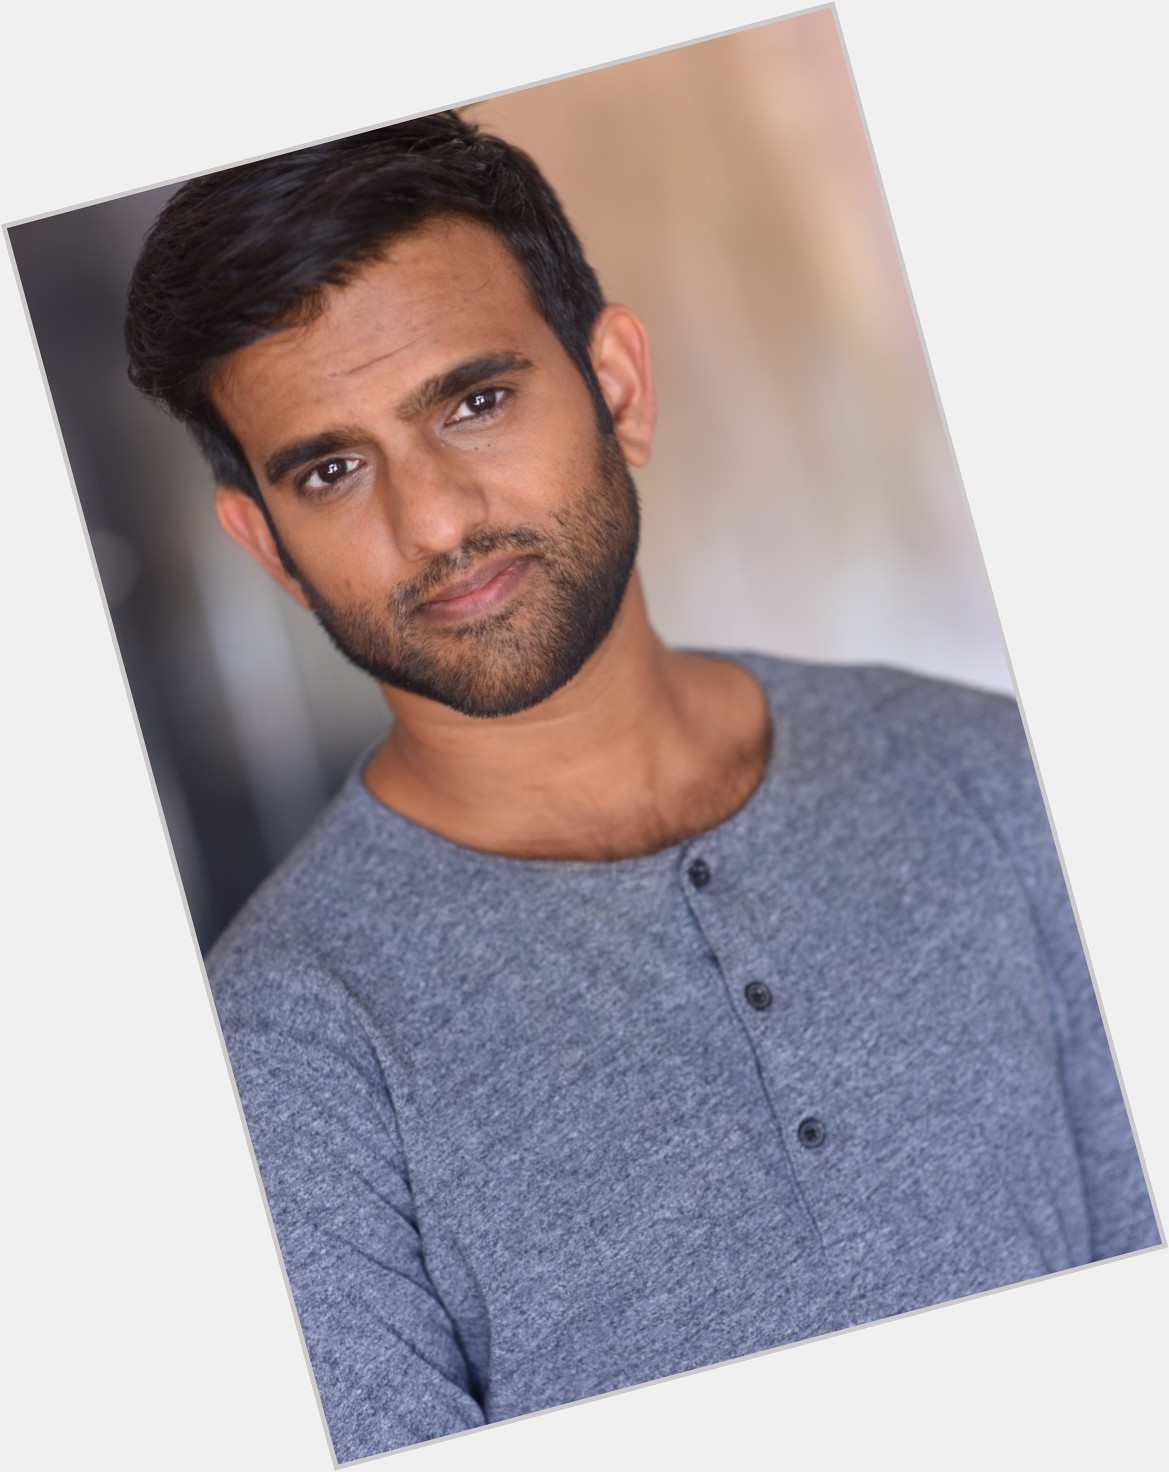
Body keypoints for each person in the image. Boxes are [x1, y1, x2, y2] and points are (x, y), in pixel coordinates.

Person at [125, 111, 1157, 1462]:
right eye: (332, 469)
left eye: (475, 402)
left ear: (617, 389)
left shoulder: (994, 773)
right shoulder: (274, 1064)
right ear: (268, 548)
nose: (433, 521)